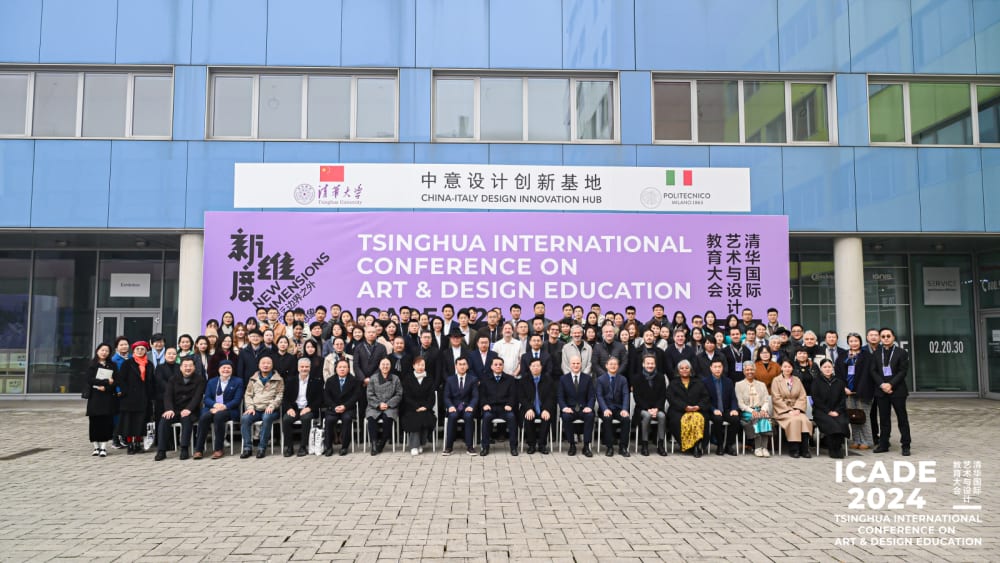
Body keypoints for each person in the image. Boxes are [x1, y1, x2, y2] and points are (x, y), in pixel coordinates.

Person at [154, 357, 206, 461]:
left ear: (194, 367)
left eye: (190, 366)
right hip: (174, 409)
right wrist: (169, 409)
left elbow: (197, 397)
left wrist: (189, 409)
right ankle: (161, 451)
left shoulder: (199, 379)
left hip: (190, 409)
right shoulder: (173, 379)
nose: (188, 368)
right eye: (185, 366)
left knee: (187, 420)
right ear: (181, 367)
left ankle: (184, 448)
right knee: (164, 420)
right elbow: (167, 395)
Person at [871, 328, 911, 456]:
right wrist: (882, 384)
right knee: (883, 419)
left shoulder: (901, 352)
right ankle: (883, 444)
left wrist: (890, 384)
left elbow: (903, 371)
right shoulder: (876, 352)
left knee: (902, 418)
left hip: (897, 390)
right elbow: (873, 371)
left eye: (888, 336)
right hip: (881, 391)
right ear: (880, 339)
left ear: (893, 337)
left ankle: (906, 445)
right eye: (883, 336)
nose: (886, 338)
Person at [193, 360, 244, 459]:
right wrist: (215, 405)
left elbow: (237, 400)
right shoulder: (212, 381)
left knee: (219, 416)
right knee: (204, 417)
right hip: (212, 408)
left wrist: (223, 407)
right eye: (223, 368)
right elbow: (207, 398)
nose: (226, 370)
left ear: (232, 370)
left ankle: (218, 449)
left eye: (228, 368)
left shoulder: (238, 381)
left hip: (229, 410)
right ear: (219, 369)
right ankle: (199, 450)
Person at [239, 356, 284, 459]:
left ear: (272, 365)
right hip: (255, 409)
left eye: (268, 363)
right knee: (245, 418)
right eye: (263, 363)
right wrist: (250, 407)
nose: (265, 365)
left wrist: (272, 405)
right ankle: (247, 448)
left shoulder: (278, 379)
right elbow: (248, 395)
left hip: (270, 409)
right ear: (259, 365)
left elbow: (279, 395)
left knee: (267, 418)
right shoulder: (253, 379)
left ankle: (262, 448)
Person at [836, 332, 874, 450]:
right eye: (851, 341)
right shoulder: (843, 356)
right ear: (848, 342)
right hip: (847, 392)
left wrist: (859, 389)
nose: (854, 343)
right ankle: (857, 440)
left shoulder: (867, 356)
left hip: (863, 391)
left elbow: (868, 374)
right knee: (853, 416)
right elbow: (838, 373)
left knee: (864, 416)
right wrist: (844, 388)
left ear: (860, 342)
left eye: (856, 341)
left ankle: (867, 441)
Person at [665, 360, 710, 457]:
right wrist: (685, 407)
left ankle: (697, 445)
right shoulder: (673, 383)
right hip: (679, 410)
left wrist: (698, 406)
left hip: (697, 409)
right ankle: (688, 446)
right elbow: (671, 398)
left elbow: (705, 397)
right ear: (678, 370)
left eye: (687, 368)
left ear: (690, 370)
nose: (684, 370)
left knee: (699, 418)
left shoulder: (698, 382)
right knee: (677, 421)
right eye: (682, 368)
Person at [771, 359, 813, 458]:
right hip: (782, 411)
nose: (787, 369)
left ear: (792, 368)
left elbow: (802, 396)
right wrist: (789, 410)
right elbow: (776, 398)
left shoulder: (797, 380)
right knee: (794, 421)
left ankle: (804, 449)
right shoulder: (776, 380)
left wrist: (798, 408)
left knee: (805, 420)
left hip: (796, 409)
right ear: (781, 368)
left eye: (789, 367)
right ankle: (794, 449)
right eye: (785, 366)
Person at [281, 358, 323, 457]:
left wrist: (310, 408)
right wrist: (289, 408)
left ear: (310, 368)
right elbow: (285, 398)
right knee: (286, 419)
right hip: (294, 409)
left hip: (308, 409)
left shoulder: (316, 381)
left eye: (307, 367)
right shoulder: (291, 380)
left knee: (306, 418)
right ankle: (289, 447)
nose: (304, 369)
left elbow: (320, 399)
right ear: (298, 368)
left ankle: (303, 447)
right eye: (302, 367)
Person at [118, 341, 154, 455]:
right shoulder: (128, 363)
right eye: (137, 349)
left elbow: (151, 381)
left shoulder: (149, 364)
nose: (140, 351)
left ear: (146, 351)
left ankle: (138, 443)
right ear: (133, 350)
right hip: (130, 398)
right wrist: (126, 392)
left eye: (142, 349)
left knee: (141, 422)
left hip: (144, 397)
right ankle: (130, 444)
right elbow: (121, 379)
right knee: (129, 422)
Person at [479, 357, 519, 456]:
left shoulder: (510, 379)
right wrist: (484, 404)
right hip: (490, 408)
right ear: (491, 366)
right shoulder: (485, 379)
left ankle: (513, 447)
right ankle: (485, 447)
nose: (498, 366)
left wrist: (510, 404)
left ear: (503, 366)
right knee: (486, 417)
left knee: (512, 417)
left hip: (504, 408)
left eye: (500, 364)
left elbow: (513, 394)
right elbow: (481, 395)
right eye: (496, 364)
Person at [322, 359, 362, 456]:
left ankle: (344, 447)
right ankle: (328, 447)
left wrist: (345, 406)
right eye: (340, 367)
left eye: (345, 367)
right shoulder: (330, 381)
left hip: (348, 408)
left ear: (348, 369)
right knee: (329, 420)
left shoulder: (354, 381)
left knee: (347, 419)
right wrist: (334, 406)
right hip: (333, 409)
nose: (342, 369)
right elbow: (326, 397)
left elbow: (356, 397)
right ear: (336, 369)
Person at [557, 355, 595, 457]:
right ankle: (572, 445)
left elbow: (591, 396)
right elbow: (560, 396)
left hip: (584, 409)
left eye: (578, 363)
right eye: (573, 363)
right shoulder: (563, 379)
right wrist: (564, 407)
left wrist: (589, 407)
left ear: (581, 364)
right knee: (566, 416)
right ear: (570, 365)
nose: (576, 365)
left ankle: (586, 446)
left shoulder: (587, 378)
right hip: (570, 409)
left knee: (590, 416)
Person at [631, 355, 668, 456]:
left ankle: (660, 445)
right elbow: (637, 397)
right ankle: (644, 444)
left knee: (662, 416)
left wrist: (656, 408)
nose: (650, 365)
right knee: (647, 416)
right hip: (642, 408)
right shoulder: (636, 378)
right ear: (643, 364)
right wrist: (648, 409)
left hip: (657, 407)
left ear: (655, 364)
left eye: (652, 363)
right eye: (648, 363)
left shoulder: (660, 377)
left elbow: (663, 395)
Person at [812, 358, 849, 459]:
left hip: (838, 411)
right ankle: (832, 448)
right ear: (821, 369)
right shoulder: (816, 382)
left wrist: (837, 411)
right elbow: (816, 399)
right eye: (825, 367)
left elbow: (842, 399)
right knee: (832, 423)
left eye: (829, 367)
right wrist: (828, 411)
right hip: (821, 412)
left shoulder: (839, 382)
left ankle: (838, 447)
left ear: (833, 368)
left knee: (841, 422)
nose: (827, 369)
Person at [400, 356, 437, 456]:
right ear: (413, 366)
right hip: (411, 408)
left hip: (426, 408)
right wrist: (416, 406)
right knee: (415, 419)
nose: (420, 367)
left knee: (425, 418)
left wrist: (426, 407)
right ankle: (415, 446)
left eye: (422, 365)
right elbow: (406, 396)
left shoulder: (429, 378)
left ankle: (421, 443)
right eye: (418, 365)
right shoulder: (408, 378)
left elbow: (431, 396)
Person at [365, 358, 403, 455]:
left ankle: (382, 443)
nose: (385, 366)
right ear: (379, 366)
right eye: (383, 364)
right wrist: (378, 404)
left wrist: (389, 404)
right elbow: (369, 394)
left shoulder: (395, 378)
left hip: (390, 406)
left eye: (387, 364)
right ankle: (374, 444)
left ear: (390, 366)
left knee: (388, 419)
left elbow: (399, 394)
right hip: (374, 406)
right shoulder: (373, 378)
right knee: (371, 419)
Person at [85, 343, 118, 457]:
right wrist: (105, 382)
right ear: (97, 351)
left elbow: (115, 381)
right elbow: (90, 380)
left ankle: (103, 447)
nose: (104, 352)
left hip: (107, 396)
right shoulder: (91, 364)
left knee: (106, 422)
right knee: (94, 422)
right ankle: (96, 447)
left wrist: (107, 386)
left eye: (107, 351)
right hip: (94, 396)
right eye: (102, 350)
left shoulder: (112, 365)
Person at [519, 357, 556, 455]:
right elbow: (521, 397)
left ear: (541, 367)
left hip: (543, 408)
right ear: (530, 367)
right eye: (533, 366)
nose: (536, 368)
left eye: (538, 366)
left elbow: (551, 397)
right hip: (529, 408)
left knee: (547, 418)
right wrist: (529, 408)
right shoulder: (524, 380)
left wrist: (546, 409)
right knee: (528, 418)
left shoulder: (548, 380)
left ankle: (542, 445)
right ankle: (531, 445)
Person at [702, 358, 739, 456]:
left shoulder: (728, 381)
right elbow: (705, 400)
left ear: (722, 368)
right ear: (710, 368)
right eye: (715, 367)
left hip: (726, 410)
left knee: (735, 419)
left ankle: (729, 445)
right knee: (718, 419)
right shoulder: (705, 381)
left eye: (719, 367)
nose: (717, 369)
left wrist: (734, 409)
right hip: (712, 410)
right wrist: (713, 410)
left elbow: (733, 398)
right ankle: (719, 445)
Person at [735, 361, 773, 457]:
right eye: (747, 370)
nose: (749, 372)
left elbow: (766, 400)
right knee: (757, 418)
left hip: (760, 409)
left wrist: (763, 410)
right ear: (744, 371)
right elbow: (740, 404)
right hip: (747, 411)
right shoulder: (738, 385)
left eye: (752, 369)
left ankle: (764, 448)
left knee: (764, 417)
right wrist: (752, 411)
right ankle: (757, 448)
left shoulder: (761, 384)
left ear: (755, 371)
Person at [596, 356, 631, 457]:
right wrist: (605, 409)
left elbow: (625, 395)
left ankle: (623, 447)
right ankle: (609, 447)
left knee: (626, 419)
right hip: (605, 408)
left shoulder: (623, 379)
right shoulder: (600, 379)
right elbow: (599, 395)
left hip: (619, 408)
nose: (613, 366)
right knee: (607, 418)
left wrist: (624, 409)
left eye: (615, 364)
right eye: (610, 364)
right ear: (606, 366)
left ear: (618, 366)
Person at [443, 357, 478, 455]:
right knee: (452, 416)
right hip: (454, 407)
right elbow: (446, 396)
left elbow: (475, 396)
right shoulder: (450, 379)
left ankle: (470, 447)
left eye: (464, 364)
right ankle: (449, 447)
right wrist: (450, 406)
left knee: (469, 416)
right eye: (460, 364)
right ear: (456, 366)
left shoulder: (473, 379)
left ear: (467, 366)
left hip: (467, 407)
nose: (462, 366)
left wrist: (471, 406)